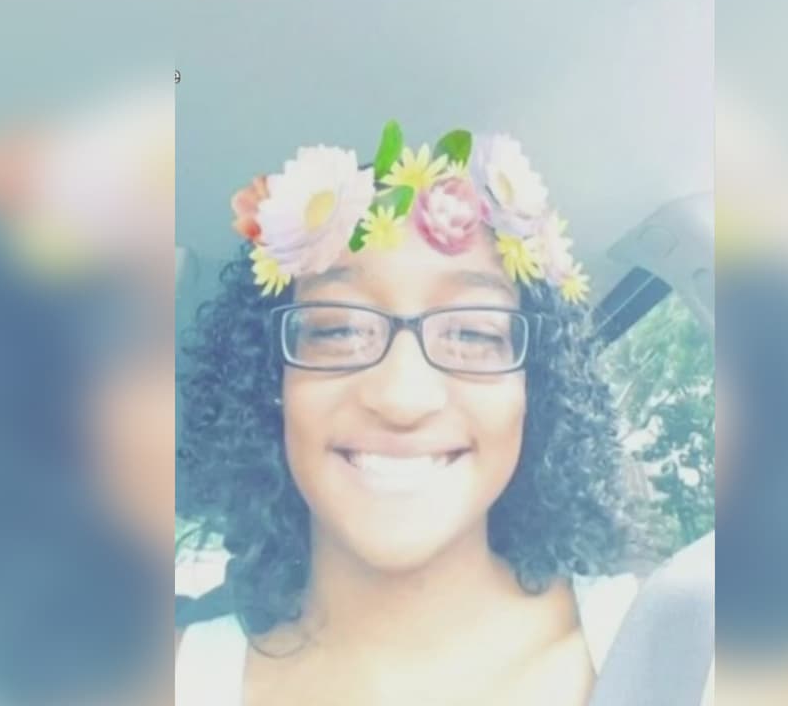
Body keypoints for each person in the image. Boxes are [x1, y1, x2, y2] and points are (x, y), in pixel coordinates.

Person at [175, 123, 651, 705]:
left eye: (473, 333)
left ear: (536, 389)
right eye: (338, 329)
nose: (403, 397)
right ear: (271, 383)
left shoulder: (677, 647)